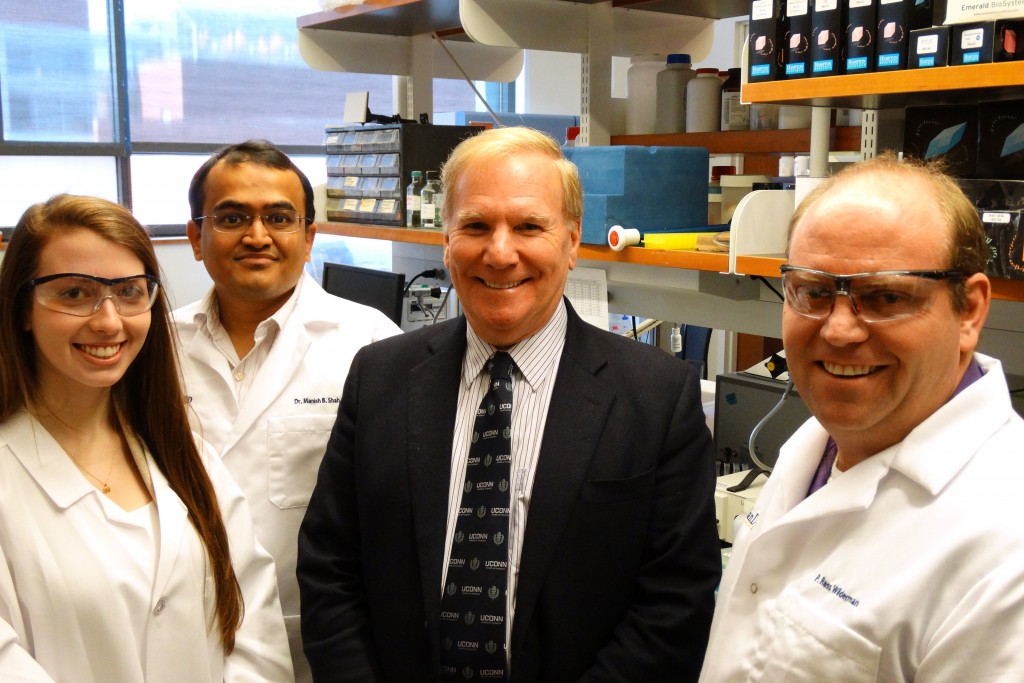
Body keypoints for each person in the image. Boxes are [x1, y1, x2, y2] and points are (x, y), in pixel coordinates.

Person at [297, 126, 720, 682]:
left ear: (571, 241)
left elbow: (675, 604)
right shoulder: (380, 377)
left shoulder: (656, 396)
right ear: (446, 241)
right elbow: (330, 568)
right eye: (474, 226)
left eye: (528, 226)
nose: (499, 253)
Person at [700, 154, 1024, 681]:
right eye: (814, 291)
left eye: (886, 295)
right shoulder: (817, 446)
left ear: (969, 311)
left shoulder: (1007, 547)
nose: (839, 331)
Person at [0, 194, 292, 682]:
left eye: (130, 292)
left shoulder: (182, 454)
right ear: (23, 307)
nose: (109, 321)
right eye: (73, 293)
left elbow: (253, 626)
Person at [173, 140, 402, 682]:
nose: (257, 236)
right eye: (232, 217)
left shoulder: (372, 344)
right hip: (178, 632)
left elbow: (399, 515)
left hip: (315, 645)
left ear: (308, 238)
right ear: (195, 239)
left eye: (279, 217)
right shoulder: (155, 348)